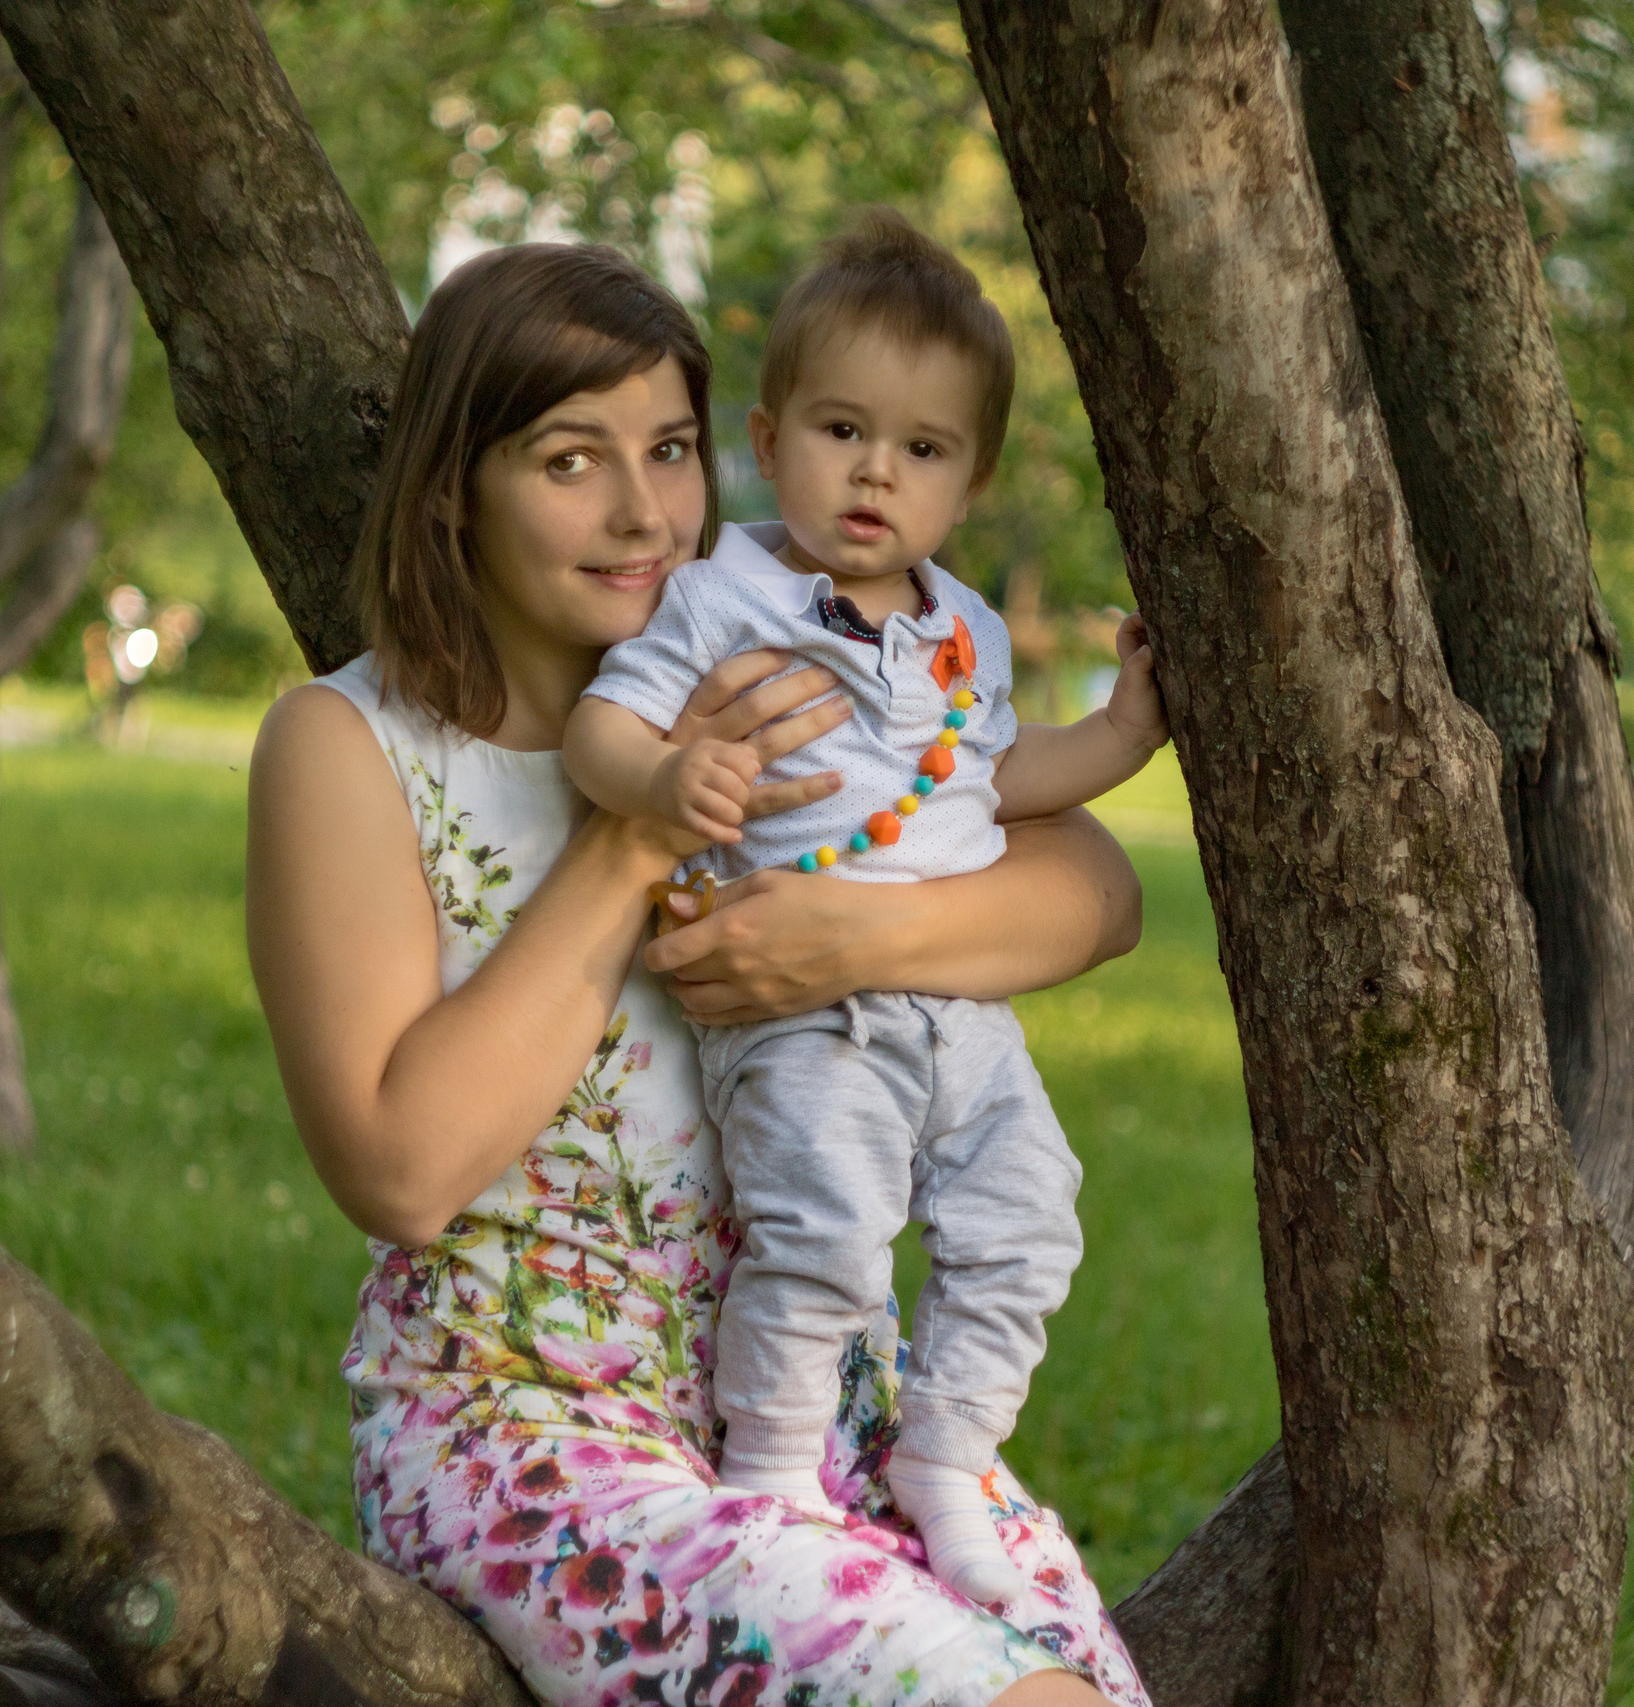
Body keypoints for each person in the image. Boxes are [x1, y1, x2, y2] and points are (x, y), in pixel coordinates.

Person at [246, 238, 1151, 1707]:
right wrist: (628, 838)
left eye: (667, 451)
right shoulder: (352, 748)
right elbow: (401, 1171)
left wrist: (848, 939)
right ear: (451, 485)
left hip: (826, 1422)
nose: (640, 512)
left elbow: (1093, 891)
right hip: (532, 1439)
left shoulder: (787, 638)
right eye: (567, 459)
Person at [563, 212, 1167, 1606]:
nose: (876, 473)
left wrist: (1126, 735)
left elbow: (999, 780)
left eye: (923, 448)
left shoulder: (967, 626)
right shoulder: (722, 597)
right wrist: (667, 776)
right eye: (843, 431)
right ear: (770, 443)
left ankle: (944, 1460)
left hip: (961, 1010)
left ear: (971, 479)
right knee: (827, 1228)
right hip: (807, 1012)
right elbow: (606, 726)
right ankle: (771, 1476)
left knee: (1031, 1221)